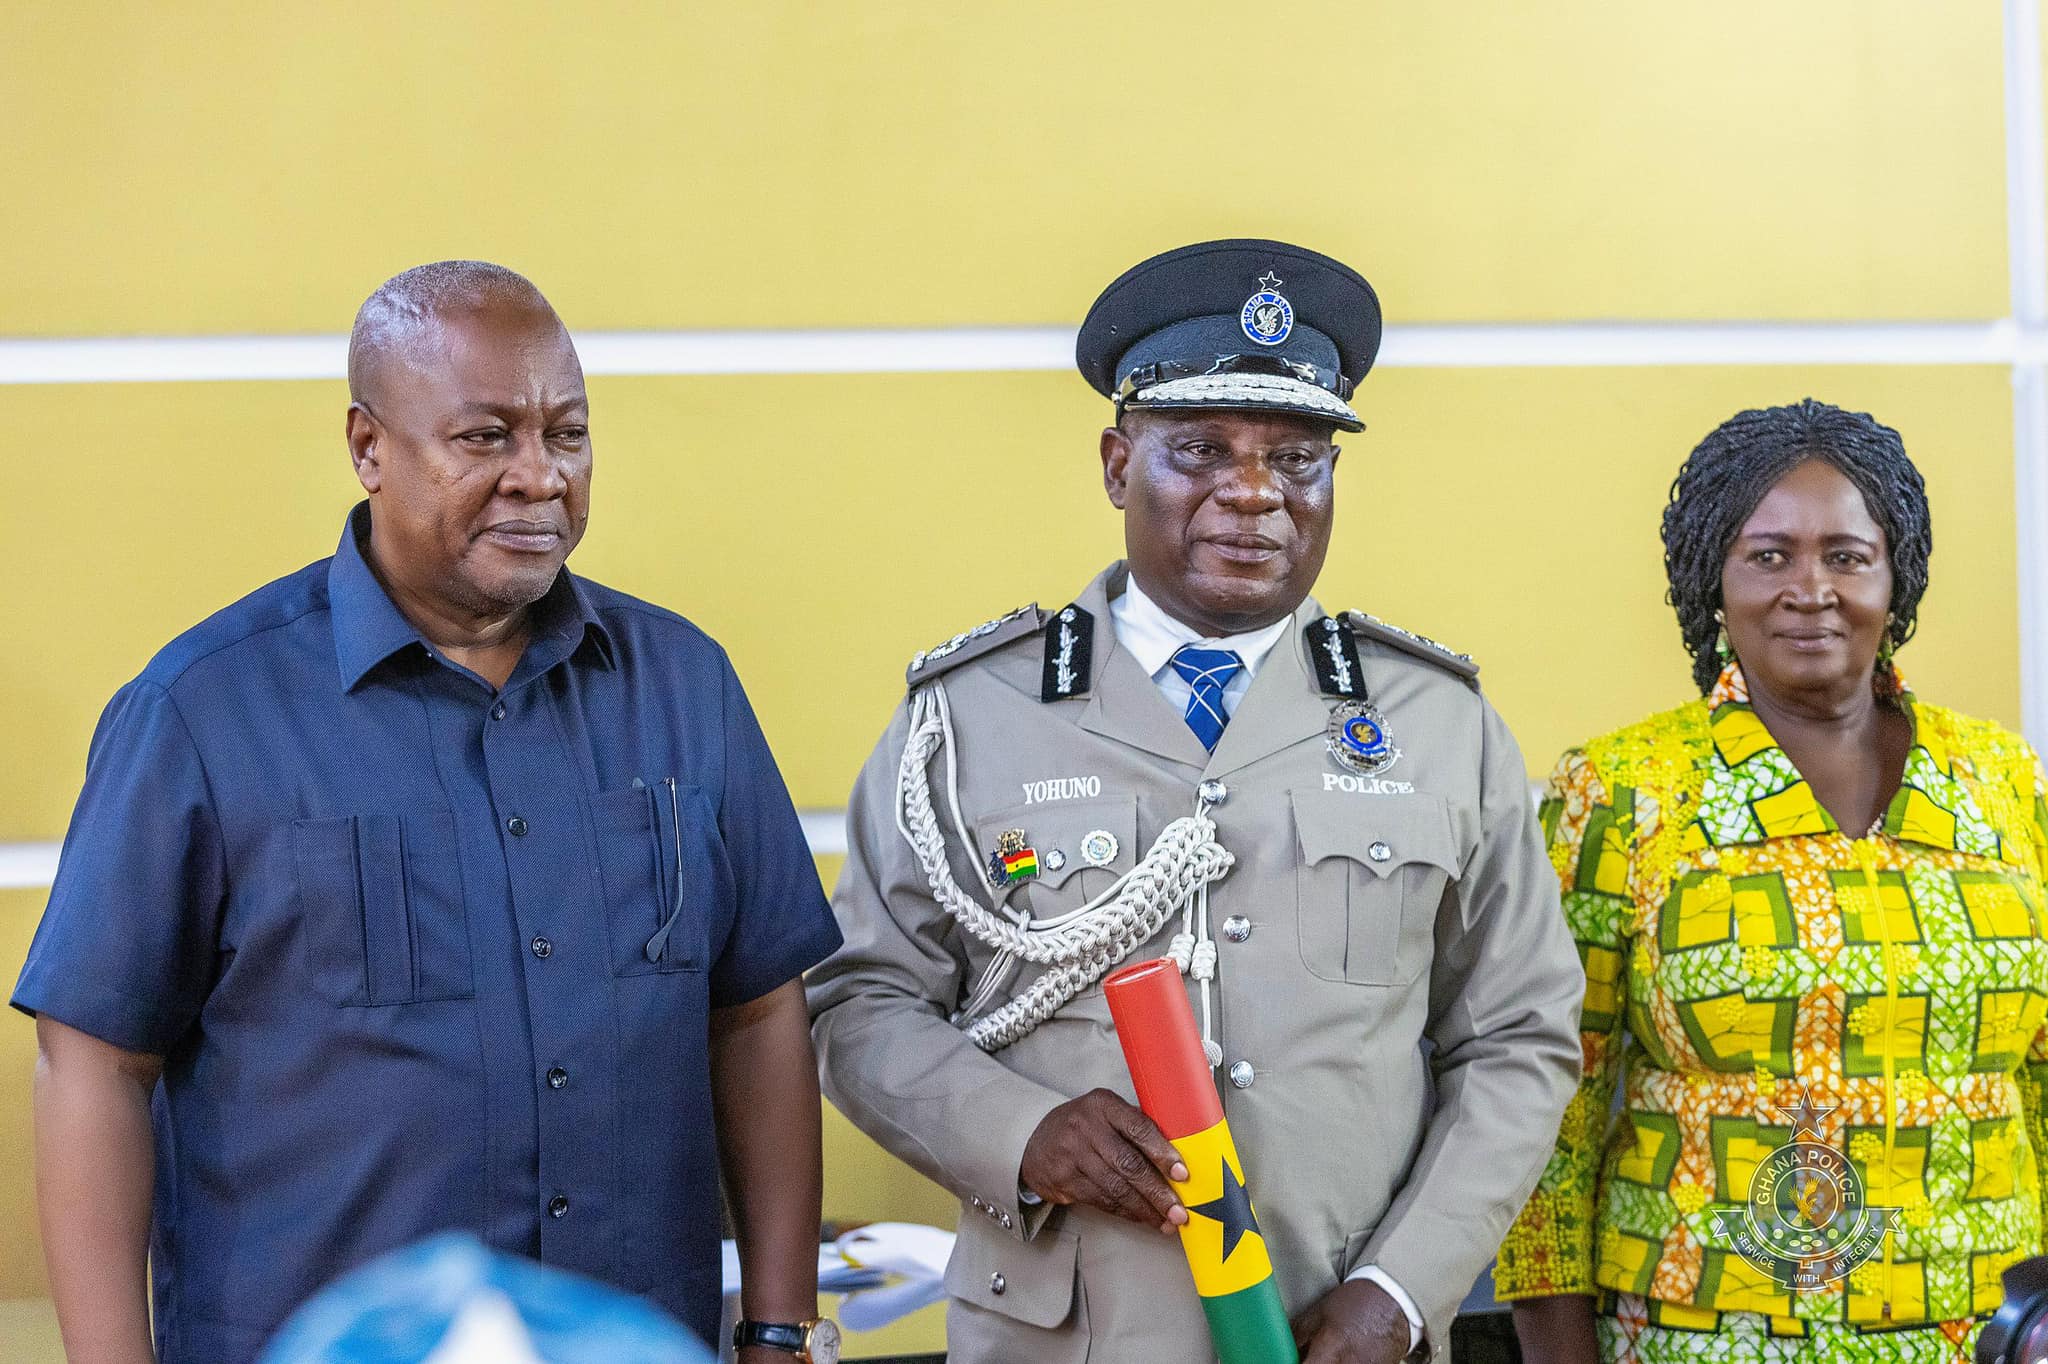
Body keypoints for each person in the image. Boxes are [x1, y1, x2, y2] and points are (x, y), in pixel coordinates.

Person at [16, 261, 843, 1364]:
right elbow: (93, 1065)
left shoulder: (683, 685)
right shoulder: (203, 713)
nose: (540, 477)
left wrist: (776, 1327)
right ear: (367, 447)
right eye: (485, 437)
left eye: (568, 433)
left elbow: (757, 1013)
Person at [808, 238, 1584, 1363]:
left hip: (1336, 1325)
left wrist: (1400, 1289)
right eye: (1201, 449)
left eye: (1297, 458)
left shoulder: (1438, 721)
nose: (1254, 494)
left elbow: (1516, 1034)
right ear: (1119, 465)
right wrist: (1019, 1133)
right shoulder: (967, 713)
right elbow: (860, 1000)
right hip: (1062, 1336)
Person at [1498, 399, 2048, 1364]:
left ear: (1895, 574)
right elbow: (1552, 1103)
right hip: (1704, 1331)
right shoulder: (1626, 789)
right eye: (1769, 555)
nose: (1811, 589)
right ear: (1713, 578)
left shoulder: (2004, 782)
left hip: (1989, 1331)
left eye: (1845, 555)